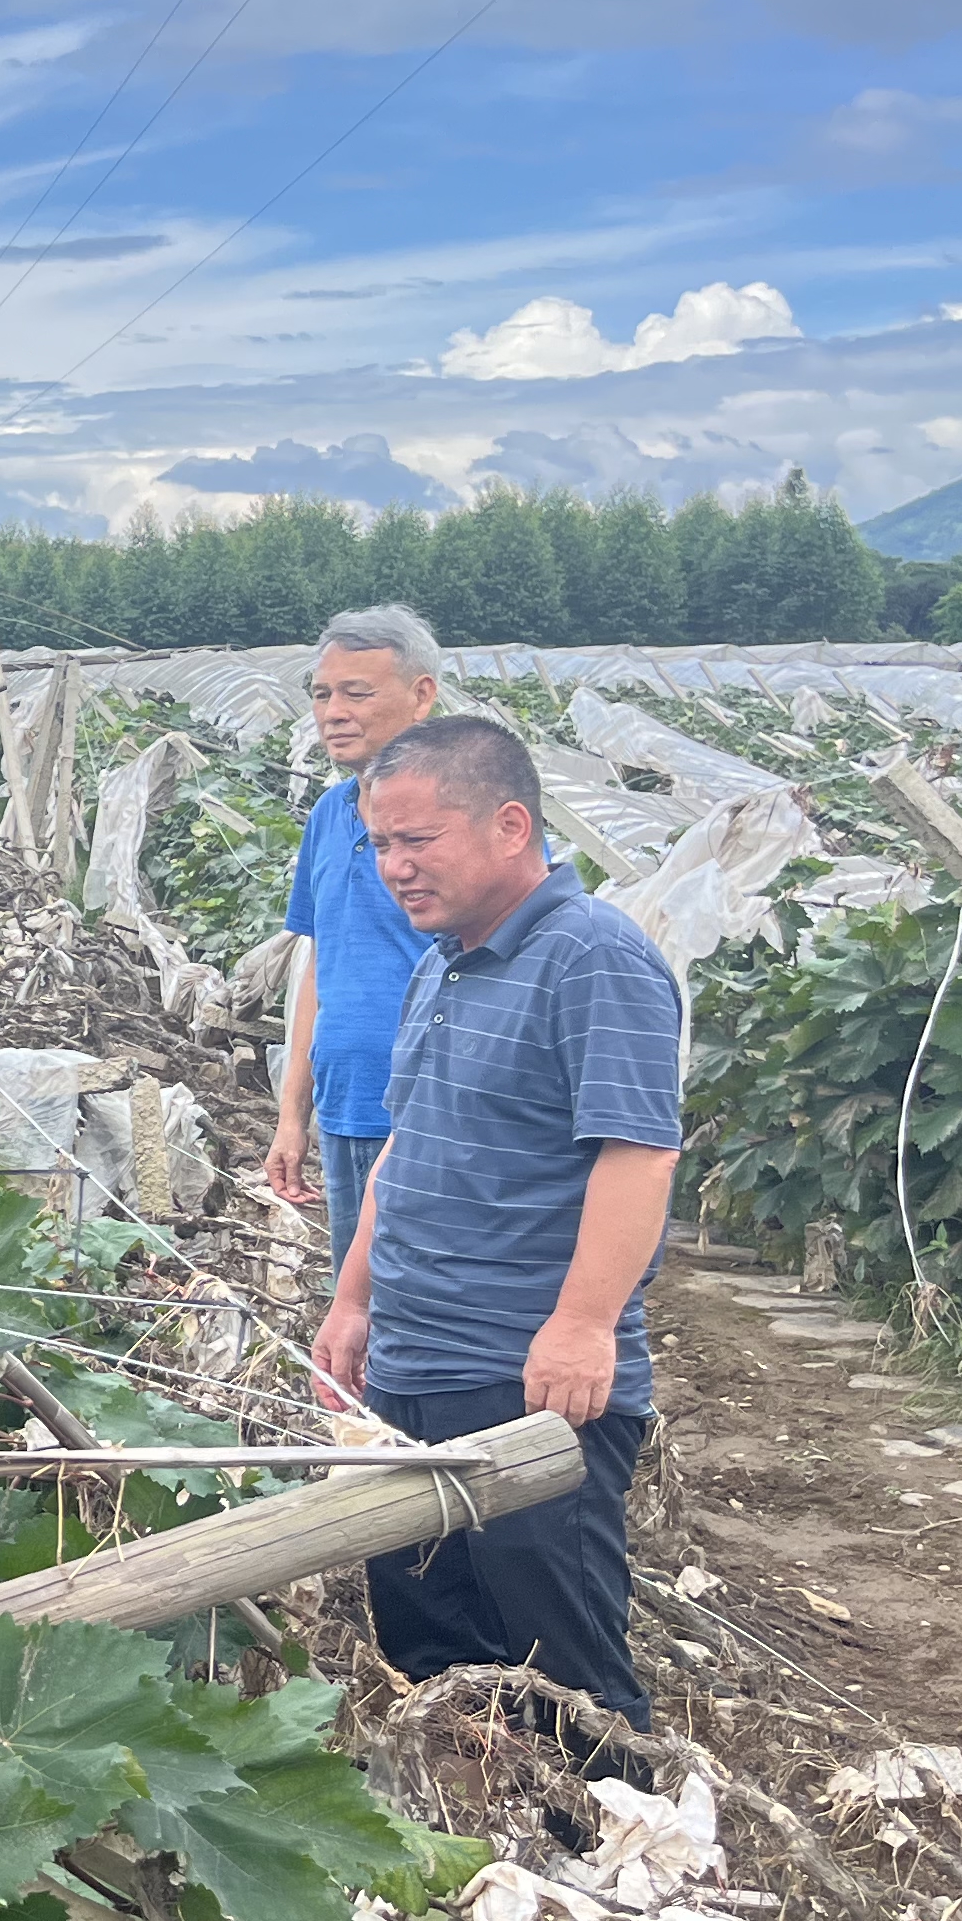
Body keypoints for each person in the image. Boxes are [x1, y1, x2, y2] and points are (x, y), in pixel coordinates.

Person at [313, 716, 678, 1731]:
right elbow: (406, 1144)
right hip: (412, 1372)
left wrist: (583, 1323)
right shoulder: (443, 964)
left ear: (511, 825)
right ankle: (483, 1849)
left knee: (556, 1663)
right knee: (429, 1641)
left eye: (416, 841)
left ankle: (610, 1847)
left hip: (525, 1377)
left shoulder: (593, 959)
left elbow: (639, 1153)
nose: (393, 868)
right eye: (379, 845)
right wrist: (353, 1299)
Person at [263, 604, 442, 1280]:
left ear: (422, 695)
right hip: (346, 1110)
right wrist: (292, 1116)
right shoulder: (328, 816)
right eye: (321, 694)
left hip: (434, 1123)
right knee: (358, 1313)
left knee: (431, 1326)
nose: (333, 711)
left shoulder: (467, 822)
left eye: (356, 693)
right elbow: (320, 970)